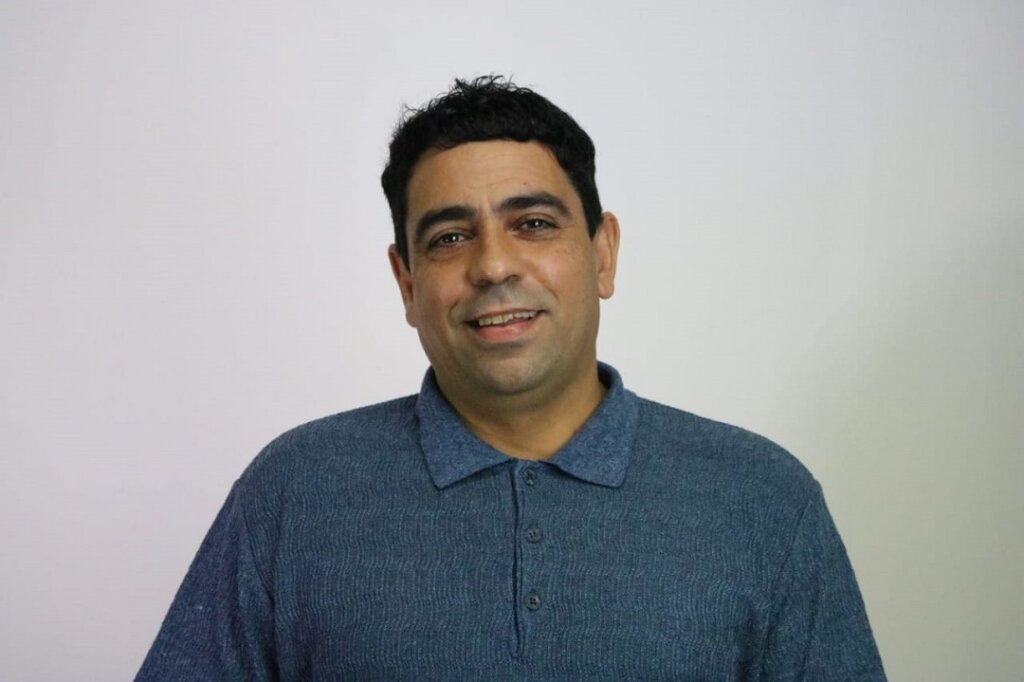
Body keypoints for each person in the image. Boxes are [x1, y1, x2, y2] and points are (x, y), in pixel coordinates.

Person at [136, 76, 886, 681]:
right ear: (406, 283)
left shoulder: (763, 501)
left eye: (533, 224)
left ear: (602, 253)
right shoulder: (292, 495)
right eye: (450, 237)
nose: (493, 265)